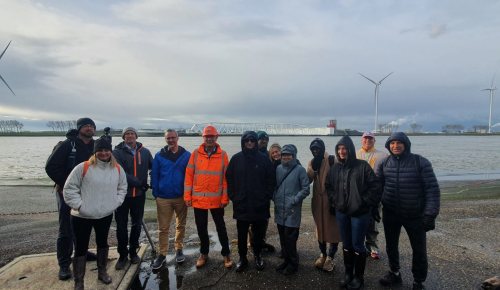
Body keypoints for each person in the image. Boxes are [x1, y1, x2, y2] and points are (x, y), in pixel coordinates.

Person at [377, 132, 440, 290]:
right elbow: (377, 188)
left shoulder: (420, 162)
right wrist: (372, 207)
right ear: (388, 145)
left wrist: (430, 214)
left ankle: (418, 281)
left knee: (419, 249)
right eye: (392, 143)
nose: (395, 146)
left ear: (406, 144)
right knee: (391, 246)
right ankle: (394, 273)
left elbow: (432, 189)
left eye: (399, 143)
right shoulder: (384, 163)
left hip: (415, 215)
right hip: (390, 213)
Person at [63, 136, 127, 290]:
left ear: (110, 152)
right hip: (82, 216)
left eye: (106, 150)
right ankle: (79, 281)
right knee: (80, 248)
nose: (104, 153)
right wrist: (80, 206)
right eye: (100, 150)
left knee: (103, 244)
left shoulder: (117, 168)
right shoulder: (83, 167)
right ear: (95, 152)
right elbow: (69, 189)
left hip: (104, 215)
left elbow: (122, 187)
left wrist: (115, 203)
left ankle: (102, 272)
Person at [326, 136, 381, 290]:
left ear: (350, 149)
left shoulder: (362, 166)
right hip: (342, 212)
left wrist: (364, 202)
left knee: (358, 245)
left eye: (344, 148)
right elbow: (328, 186)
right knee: (347, 244)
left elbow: (375, 187)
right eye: (339, 149)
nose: (342, 151)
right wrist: (334, 201)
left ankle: (359, 277)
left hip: (359, 213)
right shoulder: (335, 168)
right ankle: (348, 273)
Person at [45, 117, 97, 280]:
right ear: (80, 128)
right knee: (65, 228)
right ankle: (64, 265)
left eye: (91, 126)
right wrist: (68, 185)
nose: (89, 128)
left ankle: (81, 252)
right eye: (86, 126)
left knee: (81, 225)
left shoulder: (95, 146)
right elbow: (50, 167)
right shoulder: (67, 145)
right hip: (67, 193)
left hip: (87, 193)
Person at [184, 125, 233, 269]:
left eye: (212, 136)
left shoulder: (223, 155)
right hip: (199, 200)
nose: (209, 139)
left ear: (216, 137)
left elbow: (226, 179)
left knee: (221, 228)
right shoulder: (196, 154)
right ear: (203, 138)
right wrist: (187, 196)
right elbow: (189, 176)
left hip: (217, 200)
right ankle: (204, 253)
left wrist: (225, 198)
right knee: (201, 228)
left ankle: (226, 254)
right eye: (207, 136)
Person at [226, 131, 275, 272]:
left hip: (260, 204)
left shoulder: (264, 159)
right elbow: (229, 178)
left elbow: (271, 180)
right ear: (243, 142)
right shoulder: (236, 159)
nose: (249, 143)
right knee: (241, 235)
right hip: (242, 204)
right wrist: (233, 196)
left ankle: (258, 256)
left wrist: (266, 196)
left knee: (259, 234)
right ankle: (242, 258)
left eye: (252, 140)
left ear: (255, 142)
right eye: (246, 140)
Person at [112, 127, 153, 270]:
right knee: (121, 226)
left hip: (139, 196)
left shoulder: (146, 152)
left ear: (136, 136)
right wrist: (139, 183)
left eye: (132, 133)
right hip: (121, 195)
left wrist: (153, 182)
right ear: (123, 137)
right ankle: (122, 255)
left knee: (137, 224)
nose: (130, 136)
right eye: (127, 134)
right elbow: (120, 171)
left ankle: (133, 252)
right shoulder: (116, 152)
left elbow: (154, 168)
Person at [151, 129, 191, 270]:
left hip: (181, 197)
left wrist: (189, 194)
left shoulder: (187, 155)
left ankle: (179, 248)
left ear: (178, 138)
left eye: (173, 137)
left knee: (181, 225)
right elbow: (154, 176)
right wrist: (156, 193)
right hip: (163, 198)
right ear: (165, 139)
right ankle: (162, 254)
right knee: (163, 228)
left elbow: (191, 176)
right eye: (168, 138)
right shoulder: (159, 156)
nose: (171, 140)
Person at [274, 144, 310, 275]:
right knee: (283, 238)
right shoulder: (278, 168)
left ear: (294, 156)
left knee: (291, 239)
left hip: (292, 210)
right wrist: (275, 197)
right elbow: (275, 186)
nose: (286, 157)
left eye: (289, 155)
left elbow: (306, 189)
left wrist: (295, 200)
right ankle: (286, 261)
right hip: (279, 209)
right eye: (284, 154)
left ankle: (293, 264)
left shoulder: (300, 170)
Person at [306, 138, 340, 272]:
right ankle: (323, 254)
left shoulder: (332, 160)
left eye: (317, 149)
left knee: (333, 229)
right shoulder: (312, 162)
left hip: (332, 201)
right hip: (317, 202)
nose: (315, 151)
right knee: (319, 229)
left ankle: (331, 257)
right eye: (313, 149)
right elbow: (307, 180)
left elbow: (340, 180)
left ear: (322, 148)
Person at [356, 131, 388, 260]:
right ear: (361, 140)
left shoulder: (383, 155)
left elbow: (387, 175)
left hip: (375, 194)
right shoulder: (355, 154)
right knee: (357, 220)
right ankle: (358, 245)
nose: (367, 141)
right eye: (365, 139)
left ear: (374, 140)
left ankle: (372, 246)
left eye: (370, 139)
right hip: (358, 194)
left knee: (373, 221)